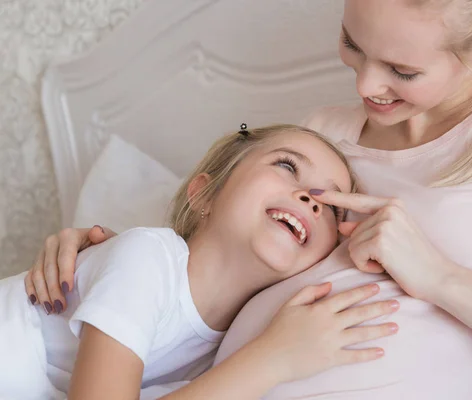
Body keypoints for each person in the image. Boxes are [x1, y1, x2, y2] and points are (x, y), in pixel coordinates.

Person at [26, 0, 472, 399]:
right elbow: (192, 275)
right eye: (352, 44)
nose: (365, 87)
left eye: (402, 70)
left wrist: (440, 278)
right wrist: (98, 257)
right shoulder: (323, 137)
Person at [0, 124, 401, 400]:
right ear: (204, 194)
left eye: (332, 207)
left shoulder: (228, 345)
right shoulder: (146, 257)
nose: (311, 199)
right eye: (286, 166)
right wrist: (273, 360)